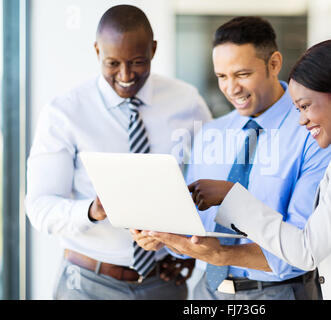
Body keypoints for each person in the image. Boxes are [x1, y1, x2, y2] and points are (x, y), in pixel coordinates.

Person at [153, 39, 331, 299]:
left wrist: (232, 196)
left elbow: (306, 251)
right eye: (297, 109)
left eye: (306, 106)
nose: (301, 120)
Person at [133, 17, 331, 300]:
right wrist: (163, 237)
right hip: (208, 292)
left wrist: (222, 255)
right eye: (222, 76)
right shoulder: (210, 133)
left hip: (279, 293)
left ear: (274, 63)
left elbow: (302, 248)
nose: (231, 88)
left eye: (242, 74)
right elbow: (193, 225)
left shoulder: (314, 134)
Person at [25, 5, 212, 300]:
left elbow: (211, 182)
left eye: (137, 62)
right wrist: (93, 210)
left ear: (153, 49)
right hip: (87, 284)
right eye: (113, 63)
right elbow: (39, 208)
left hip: (163, 282)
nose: (125, 75)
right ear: (97, 51)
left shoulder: (186, 102)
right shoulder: (64, 112)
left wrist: (189, 250)